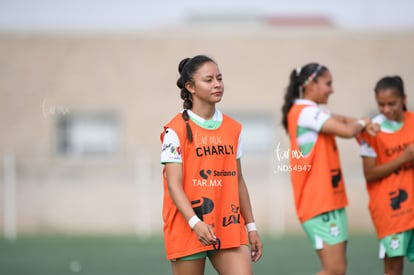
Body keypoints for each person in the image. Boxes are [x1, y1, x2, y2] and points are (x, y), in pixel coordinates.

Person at [160, 55, 262, 275]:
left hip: (228, 225)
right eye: (209, 80)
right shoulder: (174, 131)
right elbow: (173, 185)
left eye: (219, 78)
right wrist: (195, 222)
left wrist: (251, 226)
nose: (217, 84)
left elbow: (237, 180)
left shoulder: (233, 128)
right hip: (187, 226)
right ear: (191, 87)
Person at [281, 62, 375, 275]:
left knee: (337, 270)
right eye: (328, 84)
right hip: (318, 204)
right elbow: (346, 130)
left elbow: (341, 119)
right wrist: (362, 123)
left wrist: (362, 122)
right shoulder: (304, 112)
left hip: (330, 202)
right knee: (334, 270)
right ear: (311, 84)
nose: (332, 89)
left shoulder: (313, 112)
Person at [358, 76, 414, 275]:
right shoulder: (372, 130)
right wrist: (404, 157)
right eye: (381, 105)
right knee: (393, 269)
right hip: (392, 212)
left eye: (392, 103)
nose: (387, 109)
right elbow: (369, 174)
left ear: (403, 99)